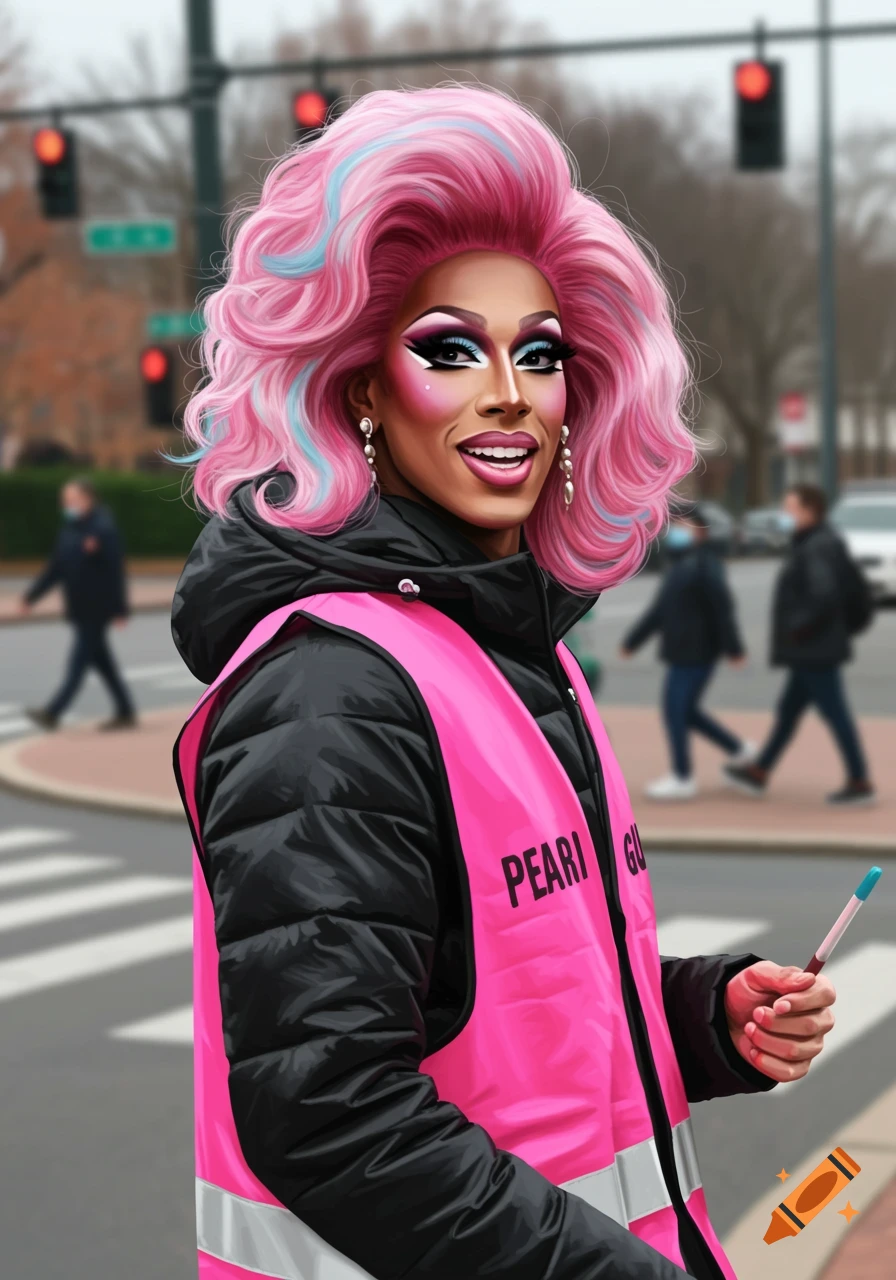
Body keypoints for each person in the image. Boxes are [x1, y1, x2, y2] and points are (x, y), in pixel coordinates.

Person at [171, 87, 837, 1280]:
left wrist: (705, 1015)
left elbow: (516, 1008)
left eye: (539, 353)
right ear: (357, 386)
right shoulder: (328, 687)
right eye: (446, 349)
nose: (507, 392)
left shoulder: (517, 652)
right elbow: (325, 1107)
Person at [724, 483, 875, 806]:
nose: (784, 516)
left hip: (813, 649)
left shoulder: (816, 547)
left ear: (809, 511)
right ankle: (760, 771)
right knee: (789, 712)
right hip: (815, 647)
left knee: (835, 714)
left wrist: (797, 630)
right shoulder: (819, 541)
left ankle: (860, 780)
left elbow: (824, 595)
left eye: (789, 509)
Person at [620, 506, 754, 800]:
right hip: (683, 651)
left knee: (675, 712)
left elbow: (723, 609)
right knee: (687, 712)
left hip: (698, 651)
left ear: (700, 532)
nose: (677, 532)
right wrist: (633, 641)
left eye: (684, 527)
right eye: (675, 526)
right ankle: (739, 750)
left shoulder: (705, 565)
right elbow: (660, 611)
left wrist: (734, 649)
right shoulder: (681, 565)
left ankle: (682, 777)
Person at [19, 477, 136, 730]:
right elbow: (57, 568)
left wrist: (120, 609)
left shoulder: (103, 529)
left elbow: (115, 570)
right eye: (66, 501)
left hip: (97, 608)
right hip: (79, 607)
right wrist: (31, 596)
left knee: (78, 663)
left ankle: (52, 712)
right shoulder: (71, 528)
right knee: (102, 662)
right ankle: (126, 711)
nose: (68, 505)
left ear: (88, 499)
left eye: (72, 500)